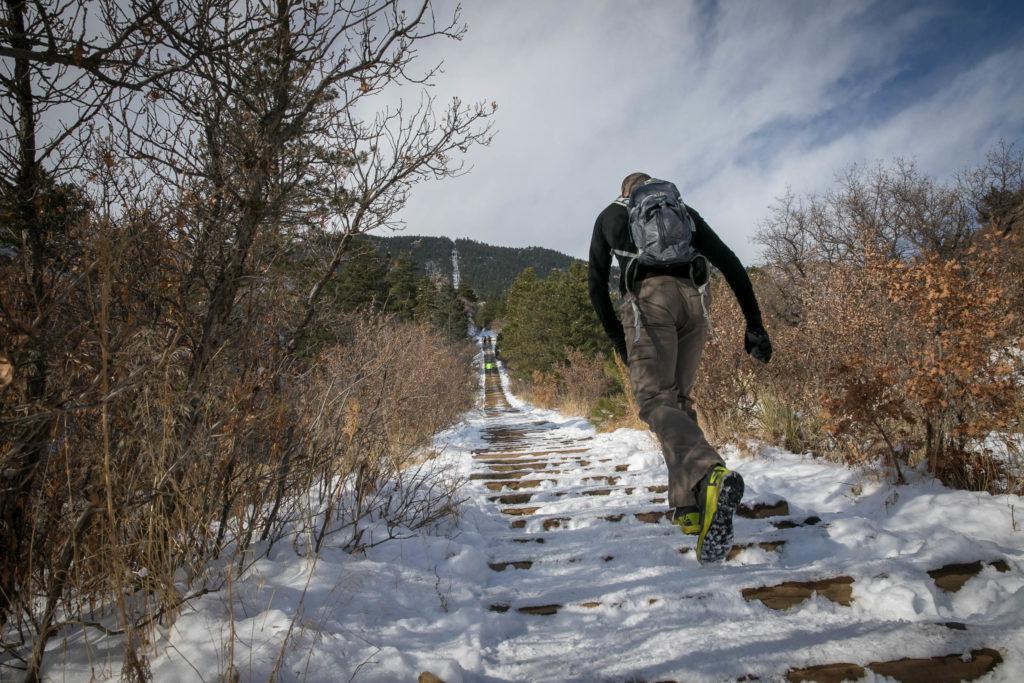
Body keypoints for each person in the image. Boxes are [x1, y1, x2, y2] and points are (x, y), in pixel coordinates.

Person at [587, 172, 772, 563]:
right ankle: (689, 507)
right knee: (679, 404)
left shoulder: (611, 217)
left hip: (649, 304)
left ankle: (710, 472)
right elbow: (730, 262)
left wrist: (619, 340)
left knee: (655, 401)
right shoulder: (683, 214)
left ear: (625, 193)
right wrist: (754, 324)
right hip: (693, 303)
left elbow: (596, 285)